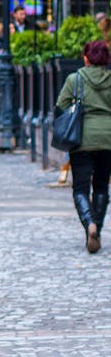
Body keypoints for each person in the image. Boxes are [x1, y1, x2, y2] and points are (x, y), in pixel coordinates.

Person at [55, 39, 111, 254]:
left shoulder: (74, 79)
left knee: (80, 187)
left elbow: (60, 105)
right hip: (107, 138)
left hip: (82, 140)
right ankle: (98, 225)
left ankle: (90, 225)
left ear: (86, 58)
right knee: (101, 186)